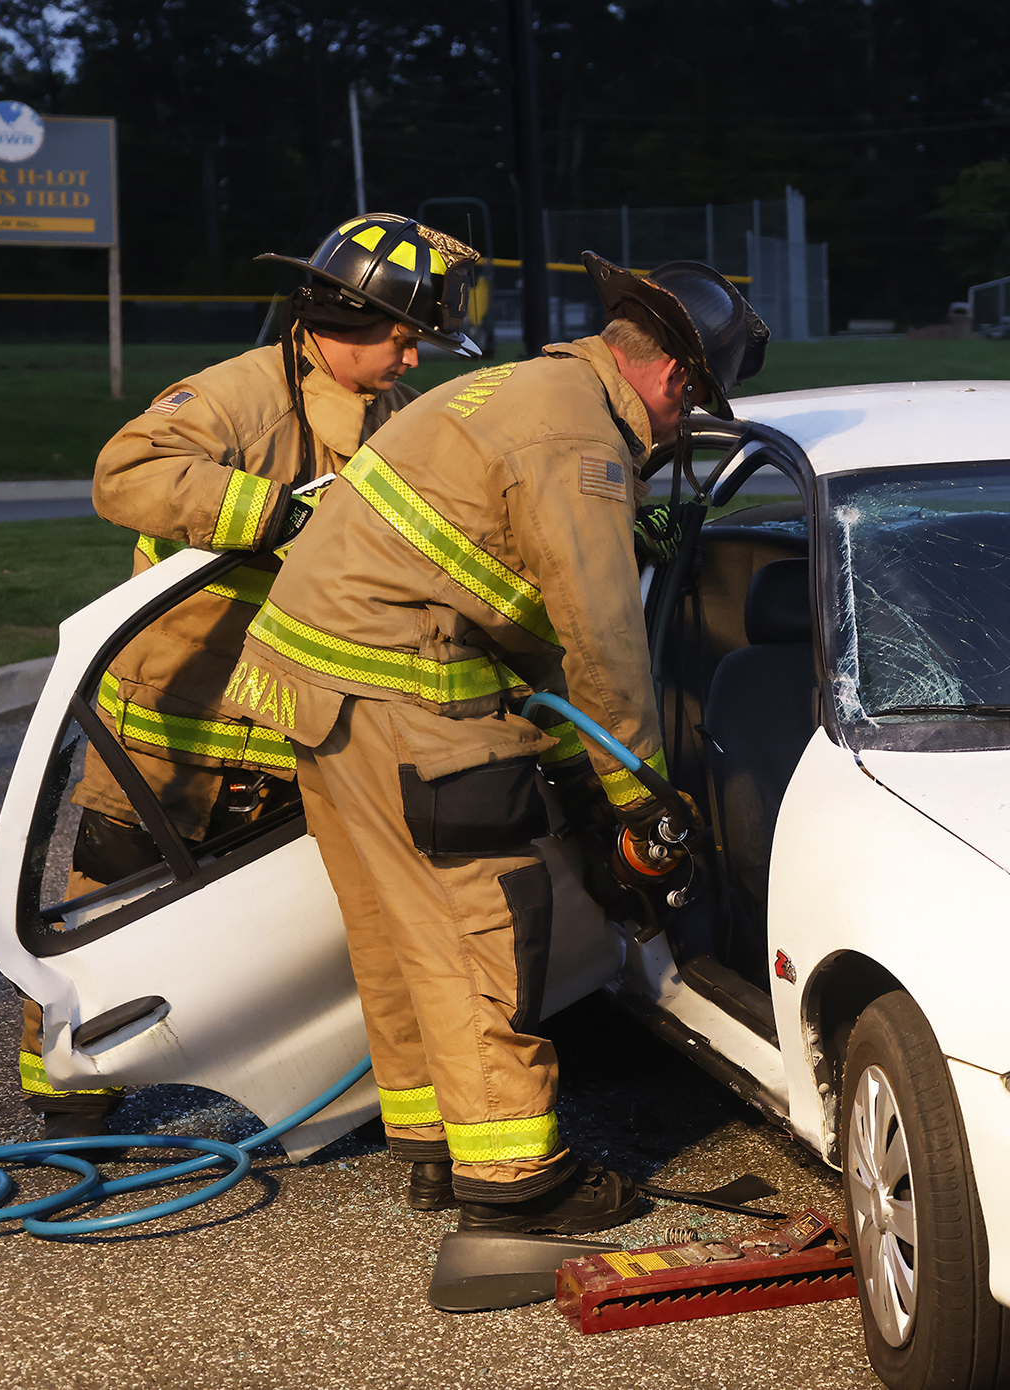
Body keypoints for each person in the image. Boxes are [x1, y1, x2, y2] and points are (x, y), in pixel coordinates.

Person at [226, 254, 768, 1233]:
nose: (682, 430)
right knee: (479, 936)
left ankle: (434, 1150)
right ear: (677, 377)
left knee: (401, 941)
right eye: (695, 407)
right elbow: (601, 641)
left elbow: (516, 616)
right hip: (407, 701)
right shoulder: (581, 445)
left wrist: (577, 767)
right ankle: (519, 1188)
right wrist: (641, 797)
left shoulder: (522, 388)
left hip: (319, 693)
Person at [20, 214, 479, 1144]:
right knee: (108, 909)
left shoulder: (394, 420)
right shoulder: (240, 399)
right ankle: (67, 1103)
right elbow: (125, 474)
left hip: (282, 726)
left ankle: (286, 1073)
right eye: (402, 337)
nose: (411, 358)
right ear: (340, 319)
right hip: (169, 727)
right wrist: (265, 512)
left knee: (268, 921)